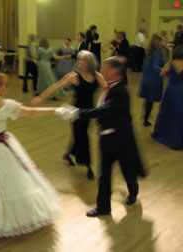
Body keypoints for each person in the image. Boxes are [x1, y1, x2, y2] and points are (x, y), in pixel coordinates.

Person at [0, 71, 62, 237]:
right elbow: (32, 112)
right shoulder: (7, 105)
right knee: (11, 177)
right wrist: (55, 109)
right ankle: (17, 216)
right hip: (3, 142)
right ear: (0, 88)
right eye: (4, 85)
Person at [58, 56, 147, 217]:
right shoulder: (110, 88)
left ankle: (133, 191)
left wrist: (77, 113)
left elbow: (103, 110)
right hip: (106, 139)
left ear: (115, 71)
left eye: (106, 67)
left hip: (121, 140)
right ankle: (104, 208)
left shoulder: (120, 91)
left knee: (127, 170)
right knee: (104, 175)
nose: (102, 70)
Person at [32, 51, 107, 180]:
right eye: (78, 59)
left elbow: (108, 90)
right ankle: (89, 165)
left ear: (89, 61)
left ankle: (68, 154)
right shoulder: (73, 76)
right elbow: (57, 86)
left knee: (79, 135)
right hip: (75, 112)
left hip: (89, 112)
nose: (79, 62)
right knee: (82, 136)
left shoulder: (97, 76)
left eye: (82, 60)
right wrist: (41, 96)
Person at [152, 45, 183, 149]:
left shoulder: (169, 64)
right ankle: (178, 138)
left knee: (166, 112)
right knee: (180, 114)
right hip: (181, 90)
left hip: (171, 90)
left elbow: (161, 73)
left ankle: (162, 133)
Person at [139, 34, 165, 126]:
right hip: (153, 79)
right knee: (150, 100)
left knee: (147, 100)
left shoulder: (149, 52)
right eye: (161, 41)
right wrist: (165, 69)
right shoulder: (157, 53)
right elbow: (156, 66)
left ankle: (145, 117)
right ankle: (146, 119)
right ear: (158, 42)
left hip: (147, 78)